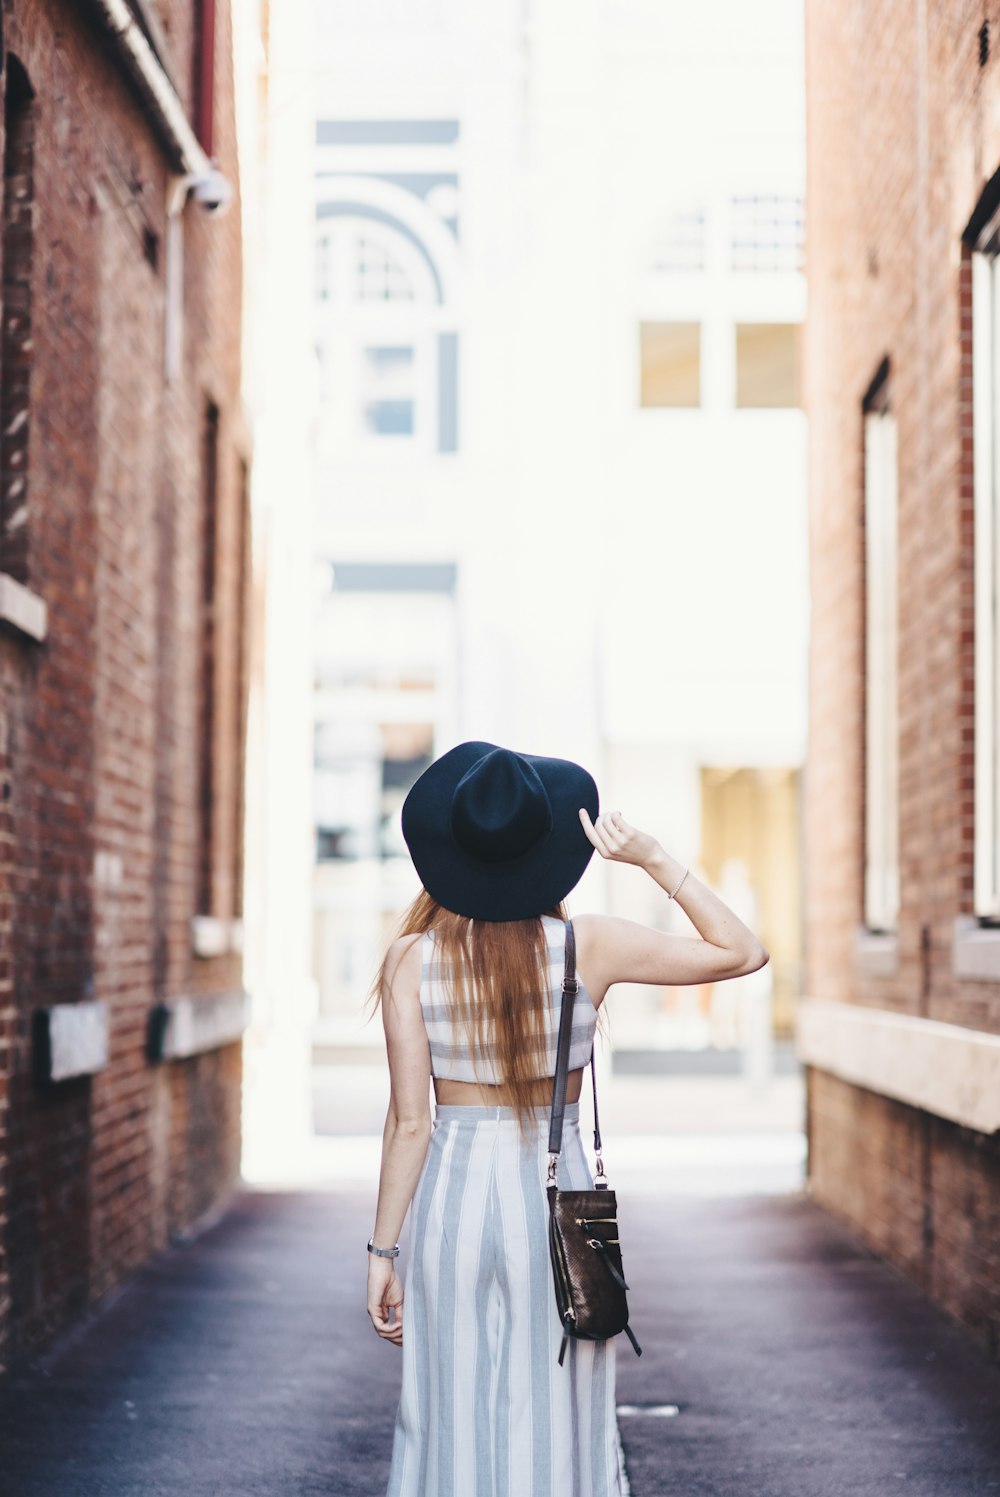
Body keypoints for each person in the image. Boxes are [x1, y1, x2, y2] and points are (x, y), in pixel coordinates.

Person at [366, 741, 769, 1497]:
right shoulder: (592, 946)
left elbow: (409, 1124)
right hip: (556, 1206)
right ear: (544, 850)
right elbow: (741, 951)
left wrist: (382, 1249)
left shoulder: (408, 960)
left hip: (450, 1202)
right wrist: (652, 857)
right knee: (558, 1414)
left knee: (443, 1410)